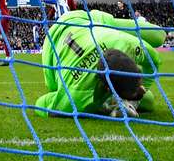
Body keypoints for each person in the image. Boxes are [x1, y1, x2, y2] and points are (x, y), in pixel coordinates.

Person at [35, 9, 165, 118]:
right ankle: (112, 102)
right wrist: (98, 107)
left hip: (86, 21)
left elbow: (154, 60)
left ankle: (119, 100)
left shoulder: (127, 44)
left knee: (158, 35)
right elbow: (39, 104)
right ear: (108, 89)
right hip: (52, 45)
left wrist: (133, 101)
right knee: (149, 102)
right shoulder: (75, 97)